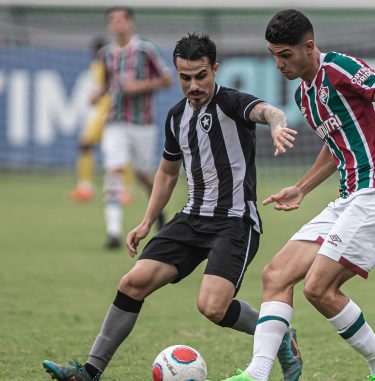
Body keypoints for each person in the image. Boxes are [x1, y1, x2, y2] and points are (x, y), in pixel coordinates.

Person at [42, 33, 302, 381]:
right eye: (185, 77)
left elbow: (266, 110)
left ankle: (280, 335)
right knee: (133, 282)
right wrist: (147, 220)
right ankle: (90, 371)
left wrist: (277, 123)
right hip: (191, 219)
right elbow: (166, 172)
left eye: (200, 76)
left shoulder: (230, 103)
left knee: (212, 307)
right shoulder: (176, 116)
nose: (193, 85)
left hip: (234, 222)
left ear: (215, 70)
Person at [219, 9, 375, 381]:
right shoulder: (304, 94)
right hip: (349, 196)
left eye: (285, 54)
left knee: (319, 287)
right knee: (276, 275)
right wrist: (301, 187)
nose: (278, 63)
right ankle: (257, 373)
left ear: (309, 46)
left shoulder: (337, 68)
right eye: (273, 54)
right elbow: (334, 147)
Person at [96, 6, 174, 249]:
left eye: (122, 20)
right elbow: (109, 83)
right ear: (109, 25)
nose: (118, 24)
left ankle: (159, 208)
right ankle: (113, 231)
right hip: (115, 122)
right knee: (114, 169)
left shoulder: (145, 49)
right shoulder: (106, 53)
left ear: (131, 23)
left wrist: (139, 86)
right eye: (113, 20)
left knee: (143, 174)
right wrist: (97, 95)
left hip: (142, 123)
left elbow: (167, 79)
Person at [69, 37, 134, 205]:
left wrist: (99, 97)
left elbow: (113, 85)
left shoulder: (110, 64)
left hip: (110, 110)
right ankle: (86, 187)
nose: (97, 55)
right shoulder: (96, 65)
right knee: (87, 144)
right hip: (100, 111)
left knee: (114, 149)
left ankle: (124, 190)